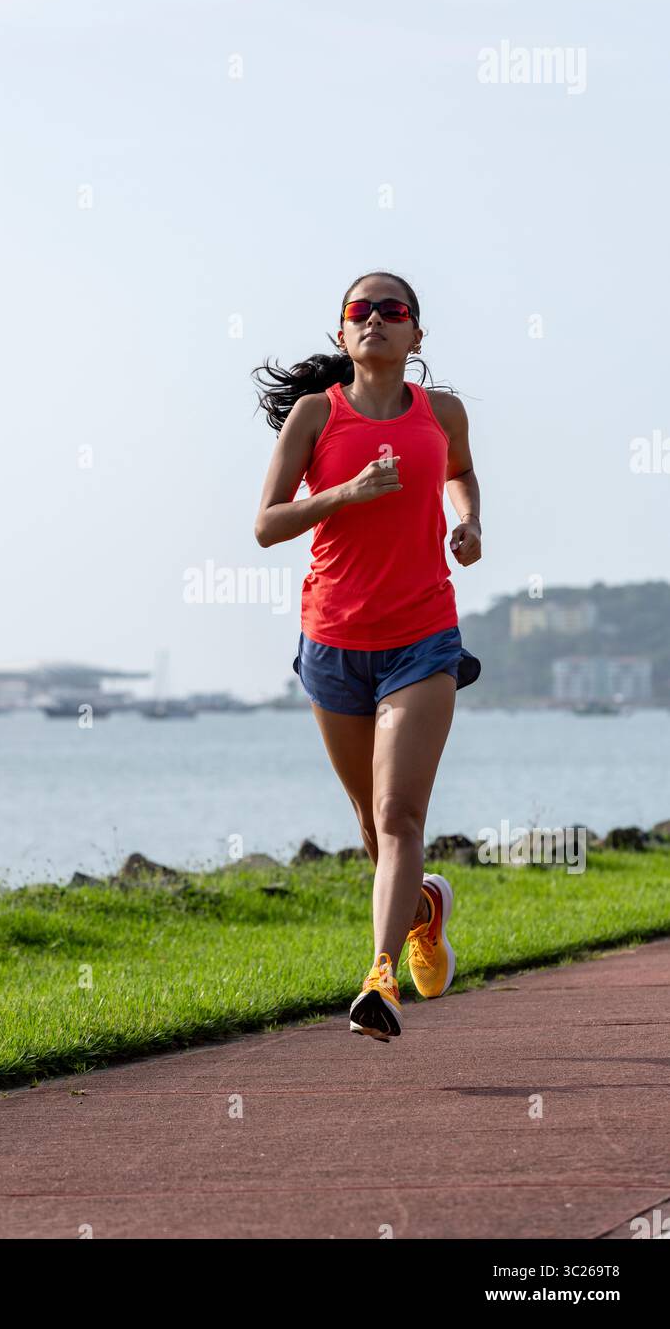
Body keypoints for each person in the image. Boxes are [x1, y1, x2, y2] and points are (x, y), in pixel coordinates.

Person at [252, 271, 482, 1042]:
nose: (376, 319)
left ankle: (378, 979)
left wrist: (469, 522)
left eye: (393, 310)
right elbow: (267, 524)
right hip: (333, 642)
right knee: (369, 826)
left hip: (422, 638)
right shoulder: (316, 416)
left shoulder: (441, 412)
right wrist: (344, 493)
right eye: (361, 310)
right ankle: (422, 909)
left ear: (416, 335)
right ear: (342, 334)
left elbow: (460, 472)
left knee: (397, 812)